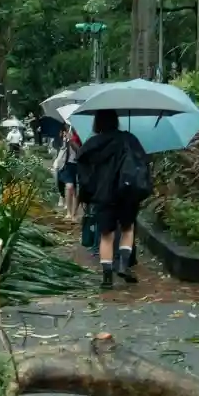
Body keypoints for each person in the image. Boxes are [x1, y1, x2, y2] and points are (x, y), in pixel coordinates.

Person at [75, 109, 152, 289]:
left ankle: (107, 278)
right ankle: (123, 265)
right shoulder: (129, 139)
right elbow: (143, 162)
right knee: (127, 229)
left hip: (102, 196)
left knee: (106, 235)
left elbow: (83, 171)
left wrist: (89, 193)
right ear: (116, 121)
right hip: (126, 192)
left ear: (97, 122)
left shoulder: (92, 144)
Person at [52, 126, 82, 221]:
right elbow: (57, 147)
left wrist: (72, 141)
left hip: (77, 165)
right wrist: (65, 139)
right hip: (66, 165)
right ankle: (69, 212)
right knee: (69, 187)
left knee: (76, 191)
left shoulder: (79, 137)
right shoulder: (63, 137)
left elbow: (79, 150)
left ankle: (74, 213)